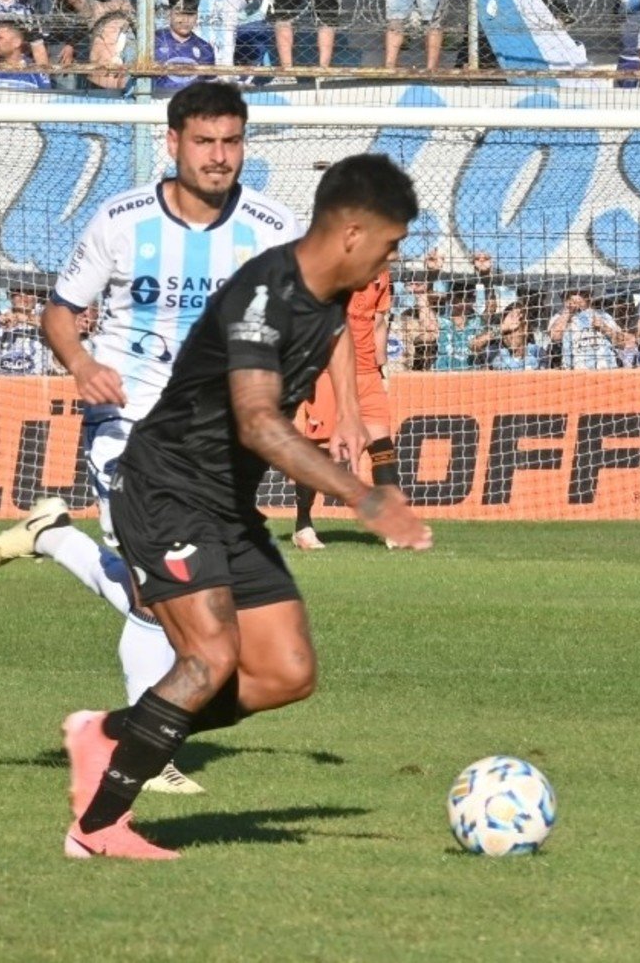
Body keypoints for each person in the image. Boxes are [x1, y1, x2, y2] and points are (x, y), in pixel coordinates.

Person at [59, 153, 433, 860]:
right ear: (352, 233)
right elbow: (258, 423)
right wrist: (364, 499)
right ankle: (97, 827)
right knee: (208, 658)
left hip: (225, 503)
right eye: (389, 244)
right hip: (166, 485)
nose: (390, 261)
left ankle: (108, 731)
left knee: (286, 673)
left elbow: (320, 370)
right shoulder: (265, 291)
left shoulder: (326, 303)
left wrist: (351, 416)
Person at [0, 82, 301, 797]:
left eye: (231, 141)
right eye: (204, 142)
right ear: (173, 143)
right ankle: (150, 749)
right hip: (127, 427)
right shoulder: (120, 221)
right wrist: (84, 364)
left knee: (177, 596)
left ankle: (54, 538)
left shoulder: (272, 227)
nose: (218, 157)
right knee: (163, 598)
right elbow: (60, 313)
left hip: (216, 446)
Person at [292, 262, 399, 549]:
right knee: (321, 452)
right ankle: (303, 525)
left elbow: (378, 323)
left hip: (367, 375)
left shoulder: (382, 275)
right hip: (329, 373)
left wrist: (382, 368)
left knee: (382, 446)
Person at [155, 0, 217, 91]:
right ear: (169, 14)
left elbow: (210, 86)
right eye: (179, 14)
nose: (185, 20)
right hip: (156, 101)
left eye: (190, 14)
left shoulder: (205, 48)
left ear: (197, 16)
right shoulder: (153, 41)